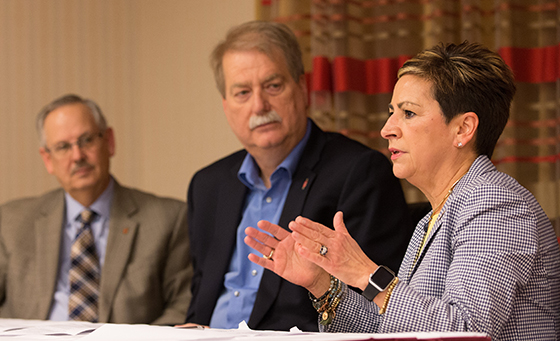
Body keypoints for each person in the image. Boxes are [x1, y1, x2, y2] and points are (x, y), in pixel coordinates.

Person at [245, 41, 560, 340]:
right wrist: (323, 284)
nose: (387, 129)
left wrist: (367, 274)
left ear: (463, 128)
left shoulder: (497, 206)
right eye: (391, 112)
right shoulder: (433, 217)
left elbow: (465, 331)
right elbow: (393, 328)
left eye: (408, 113)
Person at [184, 21, 413, 331]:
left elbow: (374, 307)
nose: (259, 105)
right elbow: (201, 299)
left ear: (302, 87)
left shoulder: (359, 172)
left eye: (273, 86)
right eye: (242, 93)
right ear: (226, 107)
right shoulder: (207, 185)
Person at [0, 94, 192, 325]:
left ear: (109, 141)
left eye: (87, 140)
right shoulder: (11, 221)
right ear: (47, 159)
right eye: (63, 147)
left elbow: (182, 306)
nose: (78, 156)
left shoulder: (168, 219)